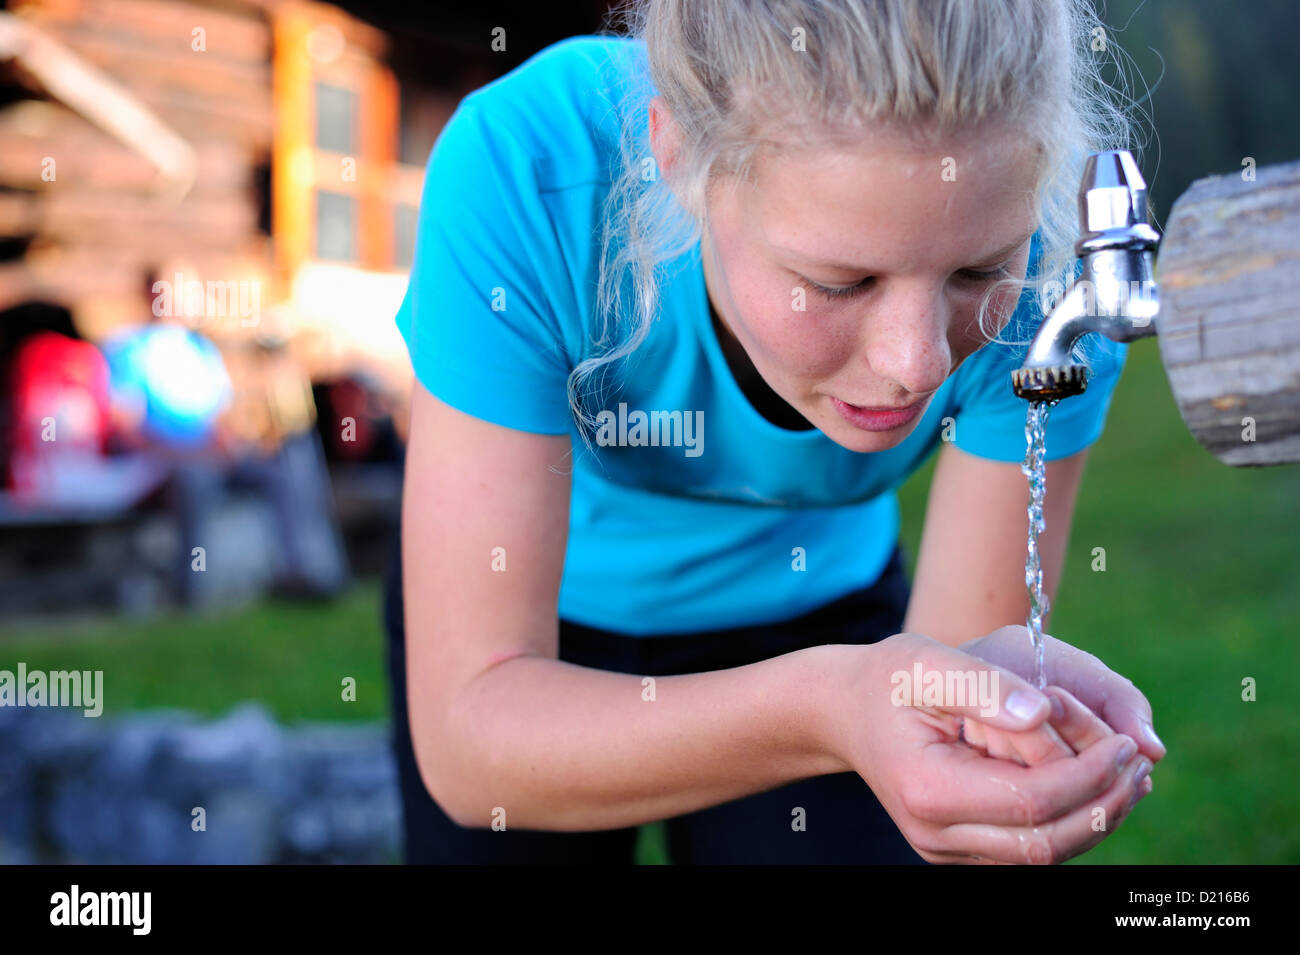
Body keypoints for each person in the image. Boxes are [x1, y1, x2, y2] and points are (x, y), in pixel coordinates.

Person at [386, 0, 1165, 864]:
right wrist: (827, 708)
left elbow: (941, 695)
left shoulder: (1057, 274)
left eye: (977, 269)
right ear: (676, 154)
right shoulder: (528, 172)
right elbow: (473, 742)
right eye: (839, 282)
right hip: (546, 624)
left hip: (824, 611)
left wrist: (986, 729)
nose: (915, 361)